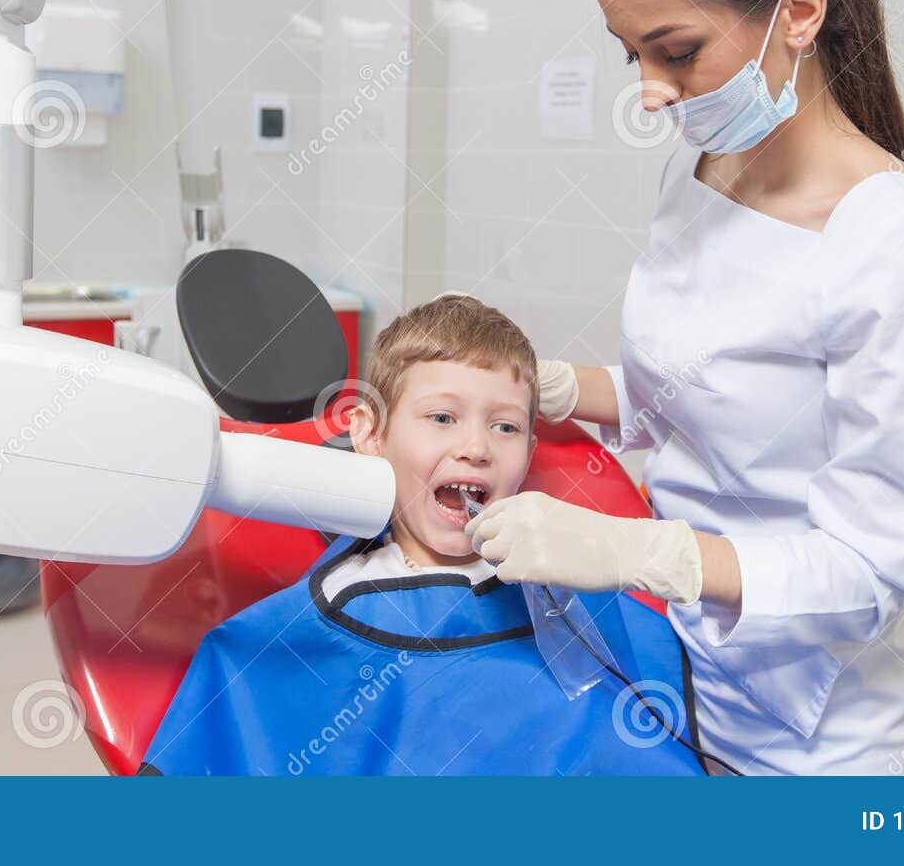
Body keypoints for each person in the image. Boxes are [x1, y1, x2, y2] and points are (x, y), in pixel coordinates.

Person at [466, 0, 904, 775]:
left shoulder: (896, 244)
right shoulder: (702, 168)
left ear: (800, 10)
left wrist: (645, 553)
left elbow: (871, 570)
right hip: (671, 680)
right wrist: (542, 386)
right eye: (633, 57)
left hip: (817, 745)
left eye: (678, 51)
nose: (654, 93)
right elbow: (703, 396)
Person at [140, 295, 707, 776]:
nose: (476, 447)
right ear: (368, 432)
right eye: (442, 418)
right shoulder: (326, 614)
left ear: (530, 453)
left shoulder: (569, 585)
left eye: (505, 426)